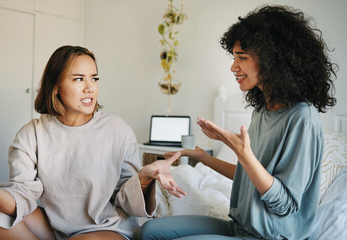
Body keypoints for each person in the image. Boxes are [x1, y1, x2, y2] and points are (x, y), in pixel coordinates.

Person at [141, 5, 337, 240]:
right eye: (234, 58)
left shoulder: (302, 119)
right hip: (241, 227)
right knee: (150, 231)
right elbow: (249, 177)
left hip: (270, 236)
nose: (233, 67)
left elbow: (285, 204)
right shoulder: (263, 111)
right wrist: (202, 157)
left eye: (241, 58)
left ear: (272, 60)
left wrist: (243, 153)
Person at [0, 45, 186, 240]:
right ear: (55, 87)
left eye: (94, 78)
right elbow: (22, 195)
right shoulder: (31, 133)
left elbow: (129, 203)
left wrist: (145, 177)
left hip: (105, 228)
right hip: (53, 227)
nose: (90, 87)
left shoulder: (117, 129)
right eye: (78, 79)